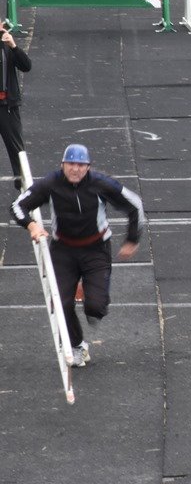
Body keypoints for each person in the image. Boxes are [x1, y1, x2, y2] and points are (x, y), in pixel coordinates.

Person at [10, 144, 145, 367]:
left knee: (95, 308)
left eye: (81, 165)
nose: (75, 169)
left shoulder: (101, 183)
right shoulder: (50, 184)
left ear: (88, 167)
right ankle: (77, 346)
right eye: (71, 164)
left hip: (96, 250)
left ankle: (88, 291)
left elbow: (135, 205)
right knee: (60, 304)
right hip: (63, 250)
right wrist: (31, 225)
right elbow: (17, 206)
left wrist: (132, 239)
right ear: (62, 165)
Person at [0, 25, 32, 190]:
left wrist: (14, 46)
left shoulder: (7, 44)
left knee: (17, 150)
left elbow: (26, 66)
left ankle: (23, 185)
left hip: (7, 106)